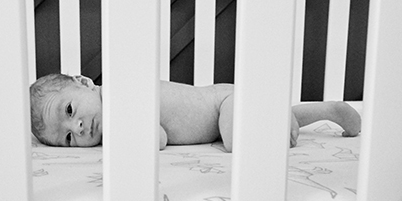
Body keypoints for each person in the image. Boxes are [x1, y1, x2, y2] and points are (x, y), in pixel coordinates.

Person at [30, 73, 360, 152]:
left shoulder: (121, 95)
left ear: (86, 83)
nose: (80, 127)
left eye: (70, 110)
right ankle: (326, 110)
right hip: (219, 114)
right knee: (257, 121)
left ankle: (282, 128)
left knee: (238, 145)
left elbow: (157, 139)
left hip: (223, 103)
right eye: (70, 138)